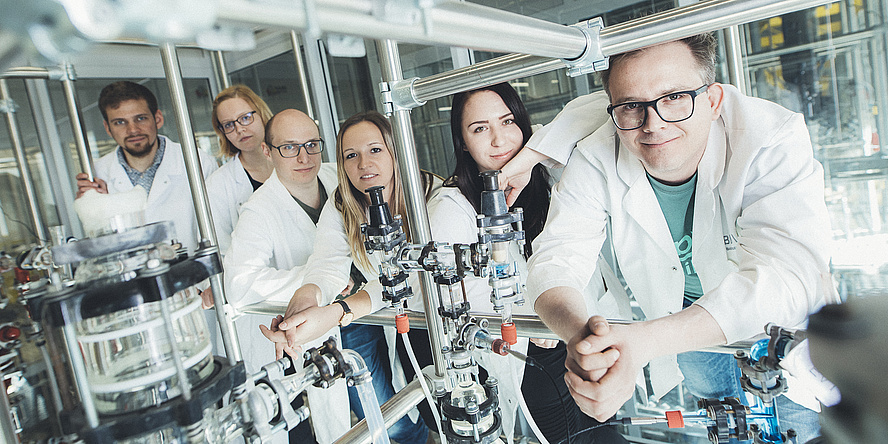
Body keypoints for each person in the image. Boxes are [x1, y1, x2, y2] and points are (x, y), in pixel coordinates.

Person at [501, 34, 831, 443]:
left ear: (713, 100)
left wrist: (637, 344)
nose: (654, 124)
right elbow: (555, 258)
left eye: (675, 97)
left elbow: (786, 277)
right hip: (686, 319)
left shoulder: (769, 136)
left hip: (780, 328)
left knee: (796, 425)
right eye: (633, 106)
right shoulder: (596, 155)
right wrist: (584, 341)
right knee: (721, 423)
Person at [428, 82, 628, 443]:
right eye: (479, 129)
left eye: (507, 122)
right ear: (462, 143)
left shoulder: (546, 173)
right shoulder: (452, 206)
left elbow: (607, 105)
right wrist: (544, 319)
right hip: (533, 356)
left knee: (603, 429)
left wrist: (527, 160)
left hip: (580, 332)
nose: (498, 140)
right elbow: (466, 300)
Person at [260, 110, 432, 444]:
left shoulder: (432, 193)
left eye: (375, 150)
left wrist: (339, 311)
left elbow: (410, 275)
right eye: (350, 155)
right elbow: (326, 263)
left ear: (397, 151)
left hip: (434, 323)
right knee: (399, 417)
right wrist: (305, 301)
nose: (363, 164)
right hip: (388, 319)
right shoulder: (344, 204)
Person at [224, 108, 348, 444]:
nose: (304, 156)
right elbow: (239, 285)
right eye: (289, 147)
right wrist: (318, 282)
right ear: (267, 151)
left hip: (355, 315)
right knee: (329, 424)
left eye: (312, 144)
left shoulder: (338, 177)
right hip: (310, 332)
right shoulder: (259, 210)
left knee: (381, 405)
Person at [75, 81, 218, 252]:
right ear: (108, 128)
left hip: (195, 275)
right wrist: (96, 206)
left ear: (157, 119)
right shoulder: (98, 175)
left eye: (140, 119)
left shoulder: (198, 162)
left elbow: (219, 230)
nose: (133, 130)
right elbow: (100, 245)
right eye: (120, 122)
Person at [207, 85, 274, 255]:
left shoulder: (293, 163)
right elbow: (222, 250)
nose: (239, 129)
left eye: (245, 118)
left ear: (261, 114)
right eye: (229, 124)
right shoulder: (218, 185)